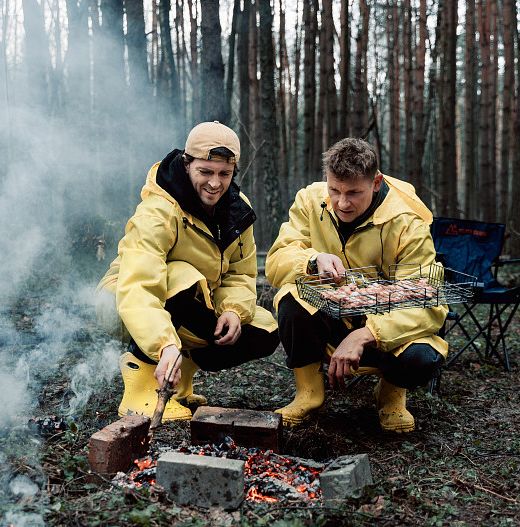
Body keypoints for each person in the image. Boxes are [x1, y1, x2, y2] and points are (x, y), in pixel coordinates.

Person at [96, 121, 279, 421]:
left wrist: (233, 310)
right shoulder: (159, 210)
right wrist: (164, 343)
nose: (215, 183)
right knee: (182, 274)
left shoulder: (237, 208)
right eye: (205, 172)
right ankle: (140, 389)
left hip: (184, 301)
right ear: (186, 163)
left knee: (263, 329)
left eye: (224, 174)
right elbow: (139, 286)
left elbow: (241, 274)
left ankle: (179, 379)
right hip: (122, 302)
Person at [265, 137, 447, 433]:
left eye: (353, 193)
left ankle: (391, 397)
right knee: (290, 296)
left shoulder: (408, 220)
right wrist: (312, 259)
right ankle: (309, 394)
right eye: (334, 190)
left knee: (421, 357)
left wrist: (368, 334)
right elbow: (276, 263)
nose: (341, 202)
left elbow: (428, 300)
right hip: (330, 318)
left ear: (376, 183)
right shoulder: (310, 200)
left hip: (387, 331)